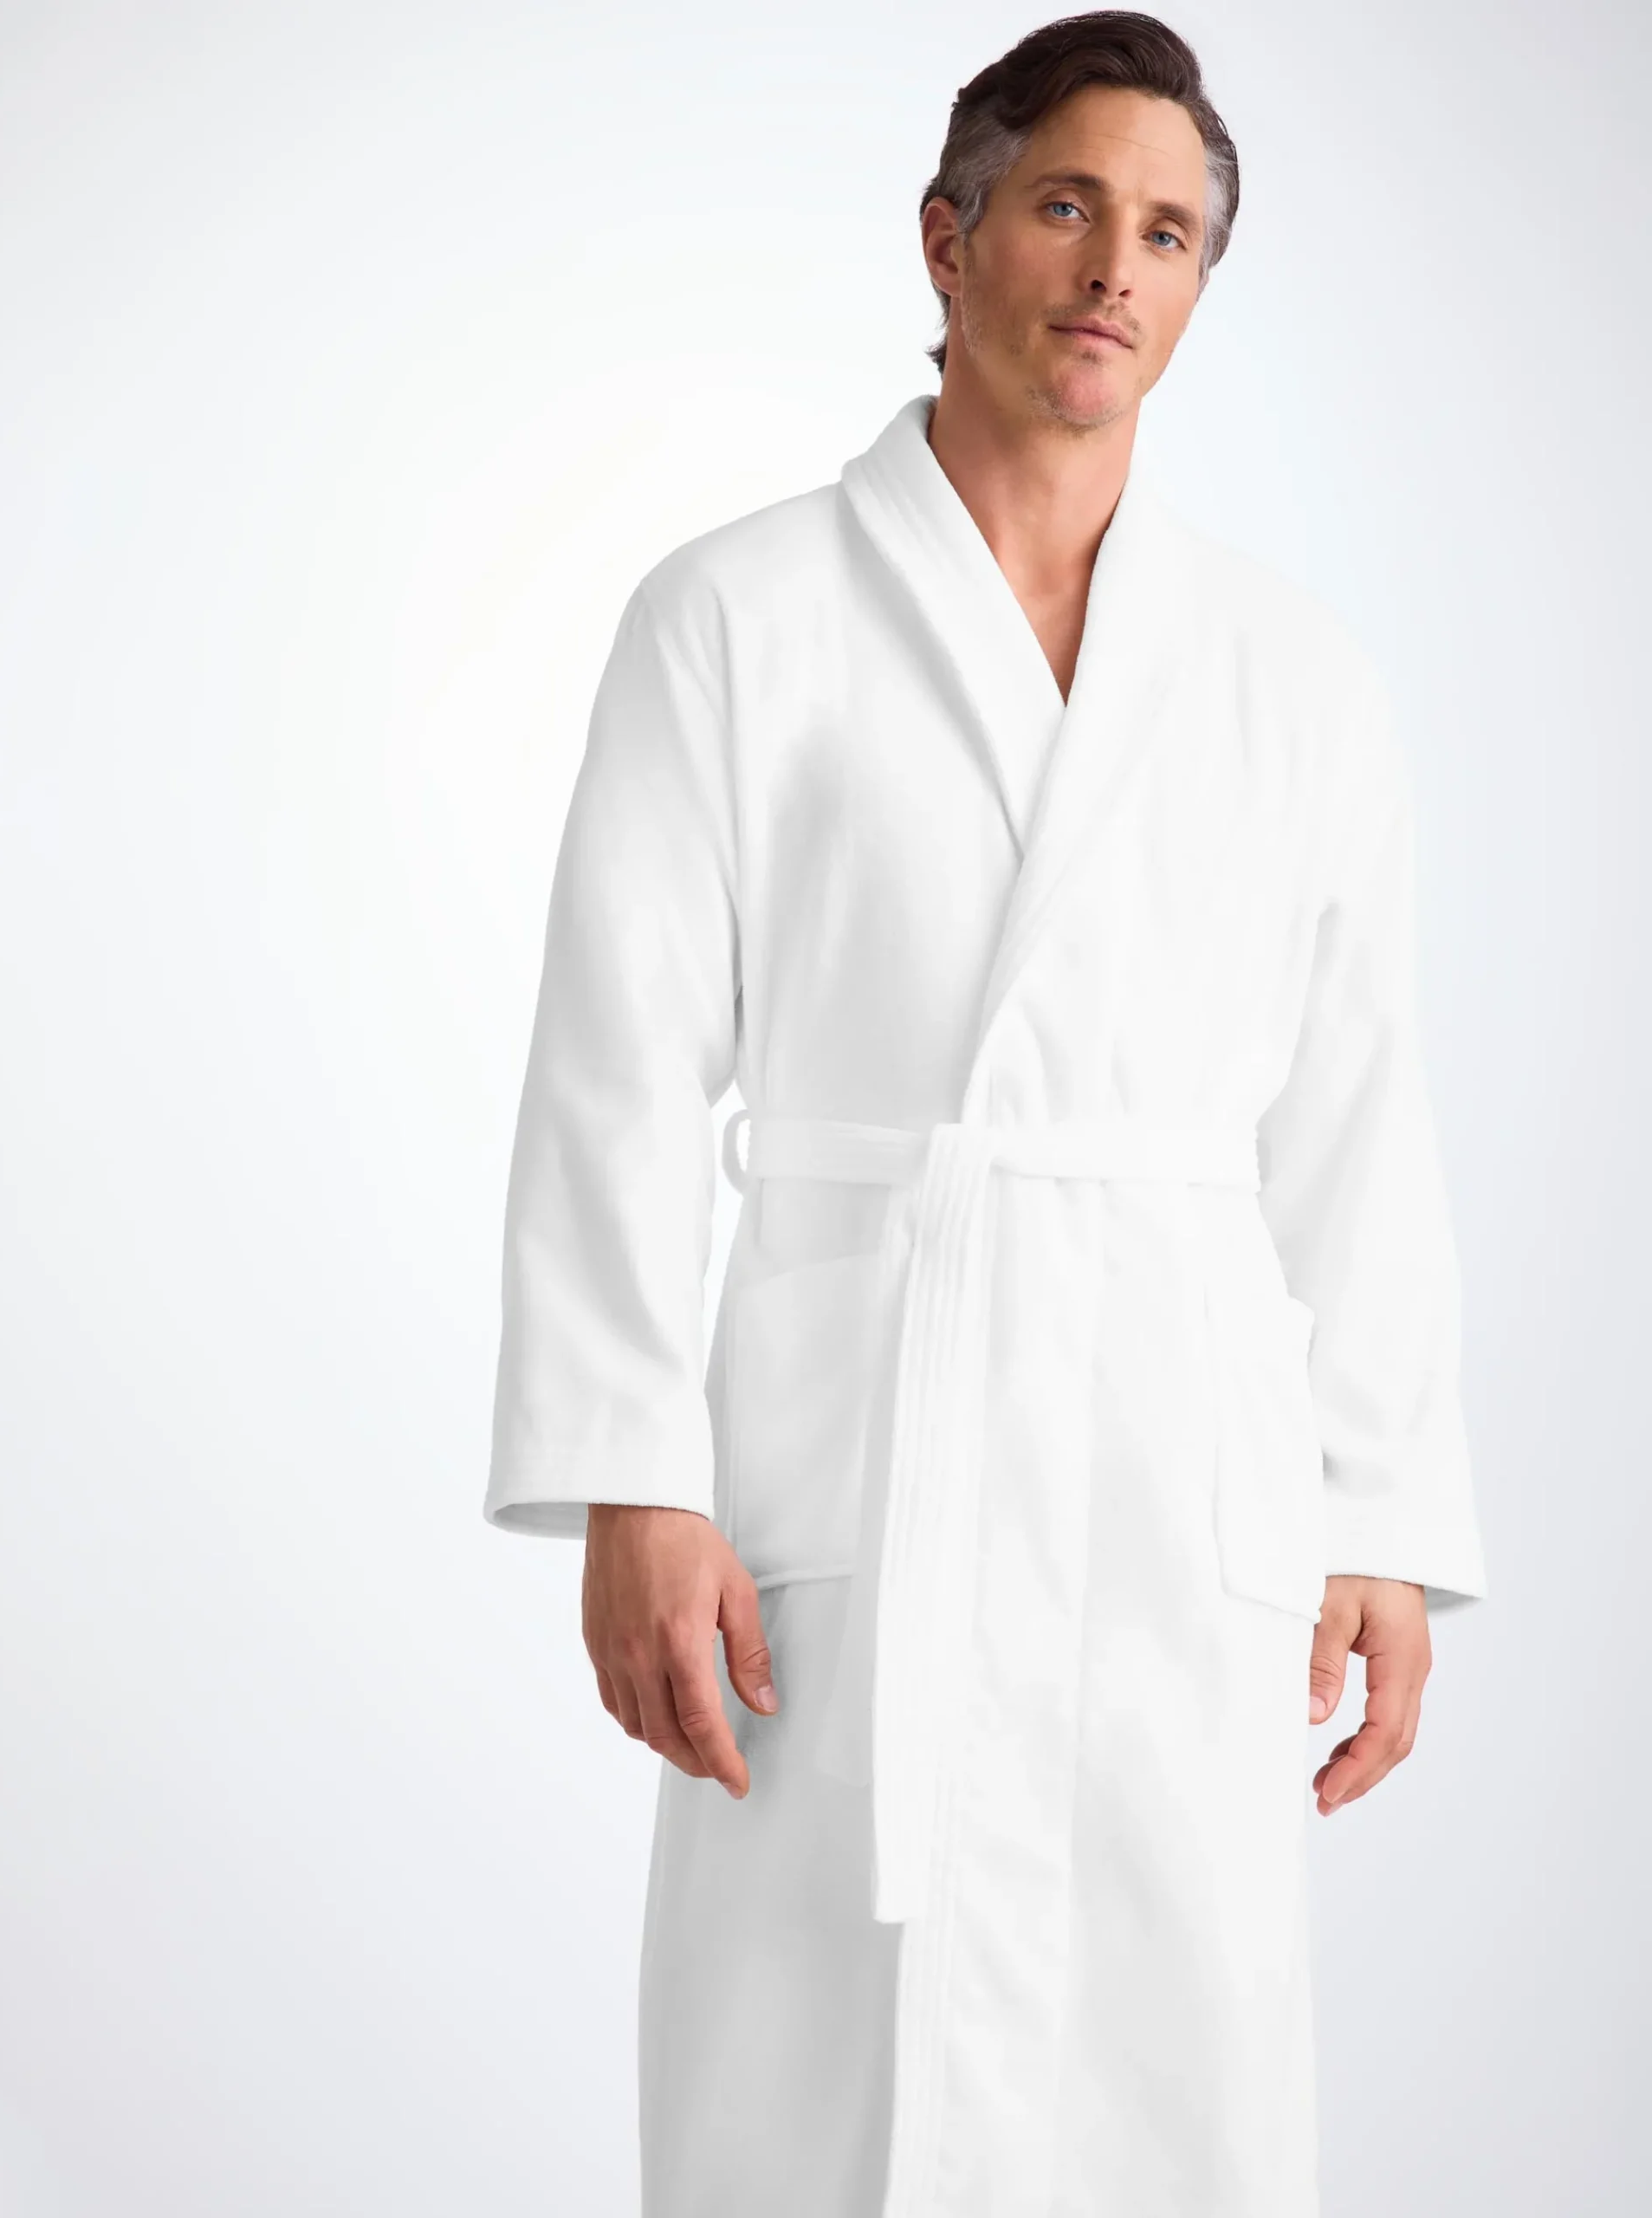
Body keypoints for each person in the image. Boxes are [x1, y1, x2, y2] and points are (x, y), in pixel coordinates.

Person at [483, 12, 1489, 2215]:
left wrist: (1381, 1512)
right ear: (945, 241)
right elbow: (613, 1063)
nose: (1113, 267)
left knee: (1174, 2061)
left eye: (1168, 232)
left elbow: (1353, 1117)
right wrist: (634, 1475)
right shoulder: (733, 615)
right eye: (1063, 204)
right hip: (856, 1456)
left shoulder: (1291, 678)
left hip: (1171, 1467)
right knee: (811, 2067)